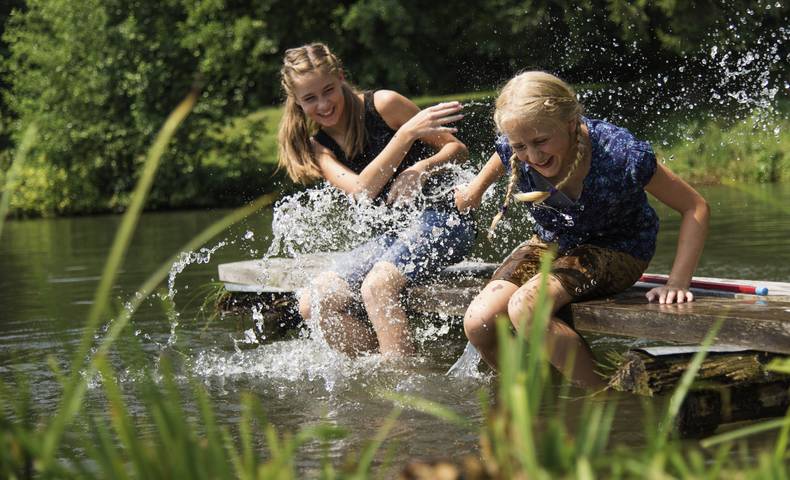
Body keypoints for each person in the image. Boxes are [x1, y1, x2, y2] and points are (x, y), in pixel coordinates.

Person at [454, 71, 709, 387]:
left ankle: (601, 402)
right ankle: (536, 395)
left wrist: (678, 282)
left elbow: (695, 207)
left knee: (525, 308)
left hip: (618, 247)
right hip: (555, 240)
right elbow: (502, 153)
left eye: (541, 142)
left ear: (571, 122)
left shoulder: (620, 153)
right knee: (479, 321)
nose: (532, 157)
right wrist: (475, 189)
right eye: (520, 145)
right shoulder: (515, 147)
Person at [277, 43, 475, 357]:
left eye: (329, 90)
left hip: (445, 221)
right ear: (298, 102)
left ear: (341, 77)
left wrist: (422, 167)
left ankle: (402, 380)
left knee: (376, 287)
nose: (324, 104)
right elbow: (361, 190)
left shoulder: (385, 104)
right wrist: (405, 136)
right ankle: (388, 367)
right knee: (312, 302)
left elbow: (458, 150)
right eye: (310, 98)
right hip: (394, 235)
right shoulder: (319, 147)